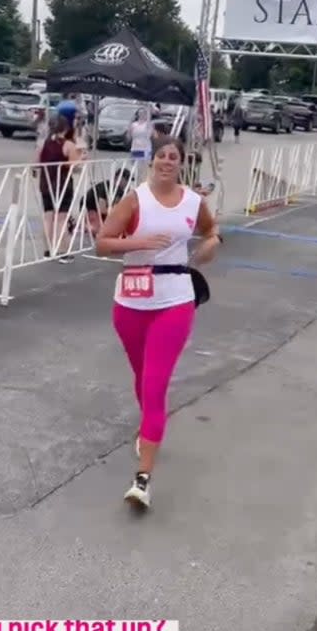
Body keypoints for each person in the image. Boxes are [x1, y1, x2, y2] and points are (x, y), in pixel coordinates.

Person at [96, 137, 222, 510]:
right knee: (141, 375)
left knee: (155, 383)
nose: (167, 162)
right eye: (162, 156)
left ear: (182, 163)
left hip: (175, 299)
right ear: (151, 161)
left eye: (174, 157)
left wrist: (211, 244)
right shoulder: (135, 200)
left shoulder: (193, 202)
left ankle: (143, 478)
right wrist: (138, 241)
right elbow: (102, 242)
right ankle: (147, 428)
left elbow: (211, 230)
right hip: (132, 301)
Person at [37, 114, 82, 264]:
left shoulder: (43, 143)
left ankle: (48, 250)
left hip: (46, 183)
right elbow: (74, 166)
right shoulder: (68, 145)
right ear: (66, 128)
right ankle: (63, 251)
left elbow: (36, 163)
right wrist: (81, 159)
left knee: (48, 216)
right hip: (62, 184)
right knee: (62, 218)